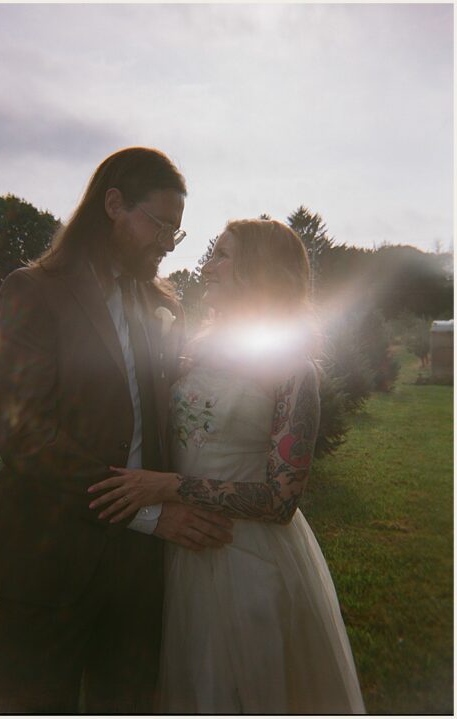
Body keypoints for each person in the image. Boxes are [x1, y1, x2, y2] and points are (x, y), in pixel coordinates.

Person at [0, 147, 235, 713]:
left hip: (140, 571)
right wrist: (151, 512)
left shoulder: (161, 303)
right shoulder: (34, 290)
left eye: (176, 234)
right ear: (113, 204)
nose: (166, 242)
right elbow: (25, 435)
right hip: (50, 555)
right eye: (159, 224)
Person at [90, 219, 365, 713]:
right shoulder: (193, 352)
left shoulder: (292, 370)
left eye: (222, 255)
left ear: (259, 271)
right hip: (178, 550)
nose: (208, 265)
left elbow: (281, 501)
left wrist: (169, 486)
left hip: (249, 557)